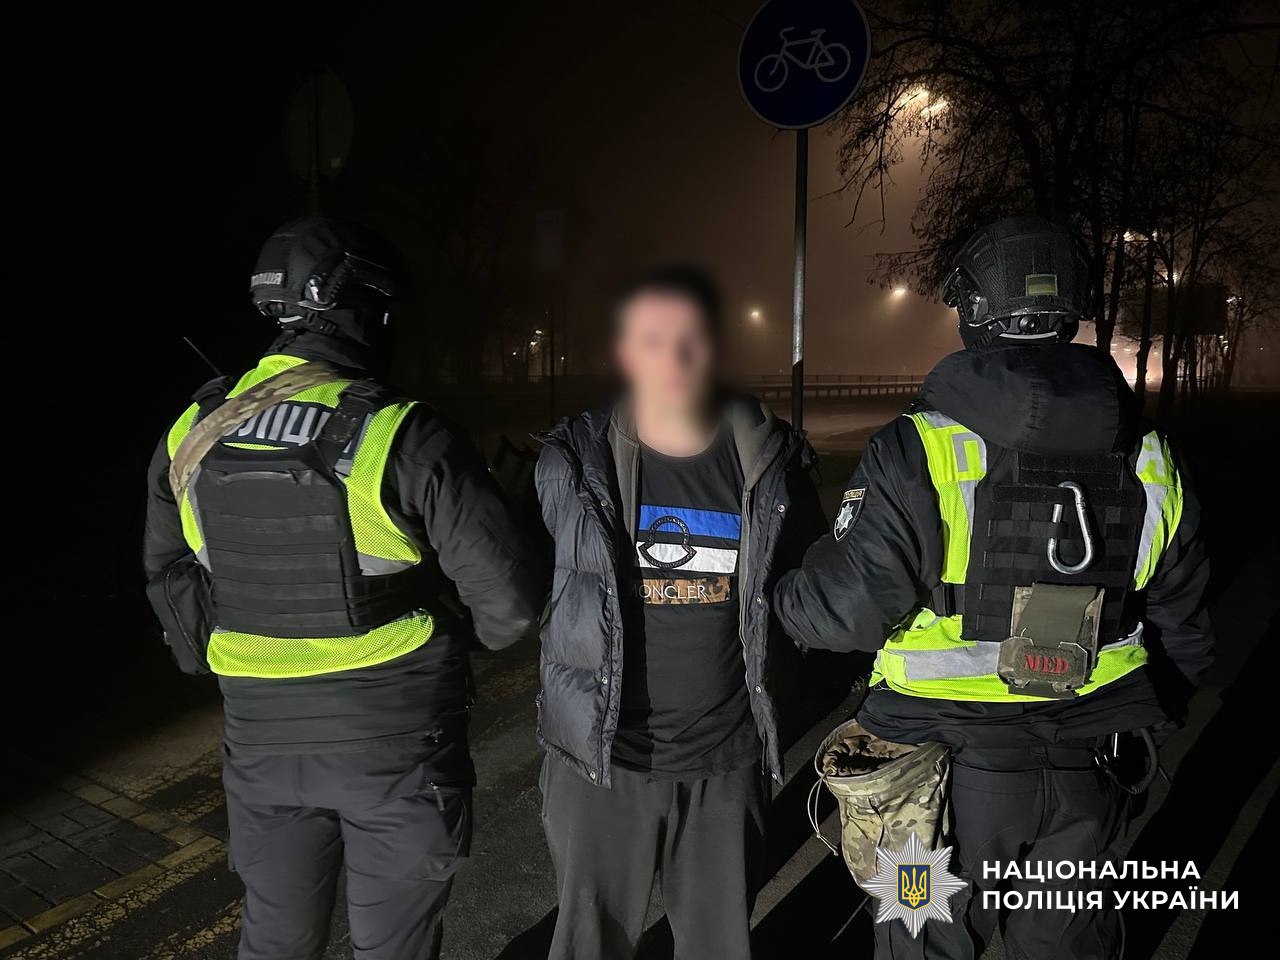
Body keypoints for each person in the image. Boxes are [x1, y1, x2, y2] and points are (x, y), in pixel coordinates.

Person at [773, 217, 1213, 960]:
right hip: (1092, 763)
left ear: (974, 309)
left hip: (936, 777)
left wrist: (780, 593)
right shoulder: (1152, 455)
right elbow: (1184, 629)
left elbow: (843, 612)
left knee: (923, 942)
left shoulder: (918, 447)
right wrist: (1139, 718)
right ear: (1070, 309)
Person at [143, 217, 544, 960]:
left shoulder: (192, 432)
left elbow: (171, 584)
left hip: (259, 746)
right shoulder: (404, 434)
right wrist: (447, 623)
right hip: (395, 745)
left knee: (274, 941)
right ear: (366, 311)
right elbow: (510, 607)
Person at [533, 265, 825, 959]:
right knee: (588, 947)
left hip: (725, 764)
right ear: (626, 352)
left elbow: (812, 589)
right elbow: (516, 584)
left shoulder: (770, 463)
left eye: (690, 338)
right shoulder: (572, 462)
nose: (673, 357)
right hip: (605, 765)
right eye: (653, 339)